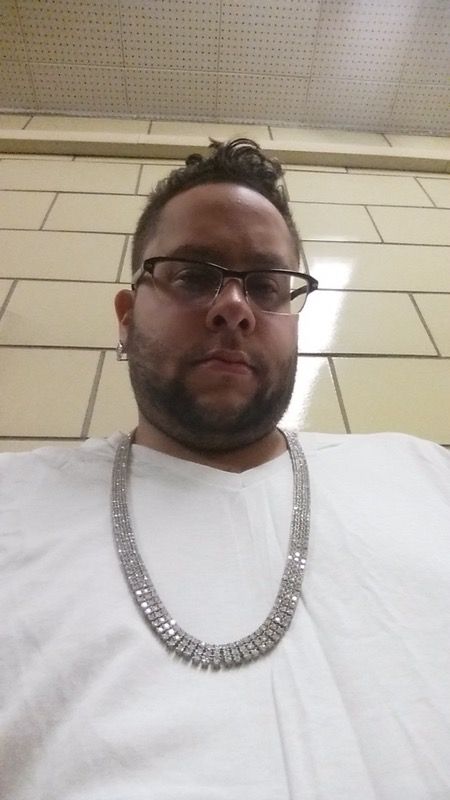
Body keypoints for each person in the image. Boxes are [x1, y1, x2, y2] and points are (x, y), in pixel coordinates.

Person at [1, 139, 449, 800]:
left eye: (266, 286)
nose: (234, 306)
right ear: (126, 320)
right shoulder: (13, 506)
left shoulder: (423, 478)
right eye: (191, 275)